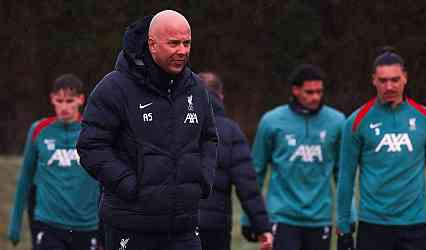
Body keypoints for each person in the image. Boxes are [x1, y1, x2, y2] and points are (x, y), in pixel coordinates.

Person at [76, 10, 218, 250]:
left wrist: (202, 179)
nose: (182, 50)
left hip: (184, 229)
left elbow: (208, 138)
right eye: (174, 43)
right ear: (152, 44)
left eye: (187, 43)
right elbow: (91, 146)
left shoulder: (197, 89)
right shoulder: (114, 88)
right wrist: (131, 185)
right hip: (131, 227)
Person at [337, 47, 426, 250]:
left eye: (395, 79)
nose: (389, 86)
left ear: (405, 78)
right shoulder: (356, 122)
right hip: (373, 227)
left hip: (415, 226)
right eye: (383, 80)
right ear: (373, 80)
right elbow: (346, 176)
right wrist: (343, 228)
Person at [242, 64, 348, 250]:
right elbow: (256, 172)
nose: (316, 97)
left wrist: (348, 216)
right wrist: (249, 217)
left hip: (319, 218)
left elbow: (343, 175)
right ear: (295, 90)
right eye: (309, 92)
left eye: (319, 91)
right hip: (282, 217)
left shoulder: (337, 122)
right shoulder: (271, 121)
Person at [8, 74, 101, 250]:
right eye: (59, 101)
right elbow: (25, 179)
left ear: (81, 100)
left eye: (69, 101)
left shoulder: (93, 132)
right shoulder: (39, 131)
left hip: (87, 226)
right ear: (52, 99)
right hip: (48, 224)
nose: (64, 107)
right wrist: (15, 223)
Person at [197, 72, 273, 250]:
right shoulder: (230, 132)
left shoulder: (172, 123)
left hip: (178, 224)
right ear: (221, 96)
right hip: (215, 228)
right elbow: (248, 187)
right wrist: (262, 227)